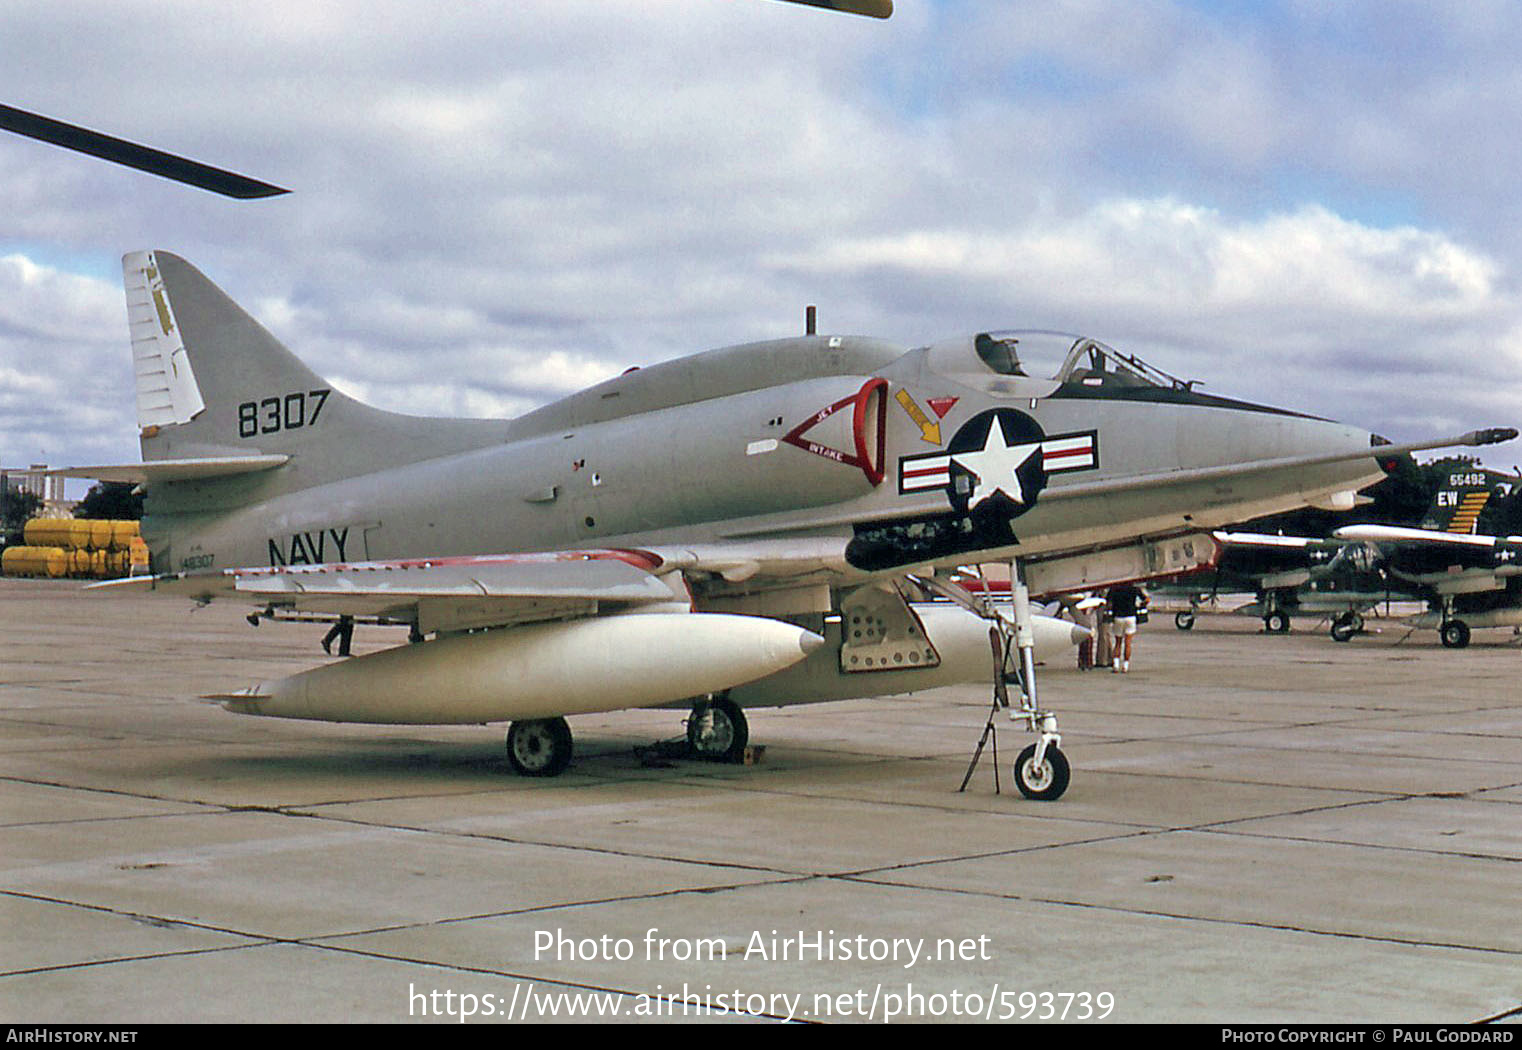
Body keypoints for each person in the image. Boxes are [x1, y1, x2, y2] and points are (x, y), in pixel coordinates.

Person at [1105, 583, 1145, 673]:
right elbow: (1147, 599)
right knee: (1128, 643)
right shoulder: (1134, 588)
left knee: (1118, 642)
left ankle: (1116, 665)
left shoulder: (1114, 588)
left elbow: (1108, 602)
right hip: (1130, 616)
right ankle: (1125, 666)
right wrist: (1140, 605)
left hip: (1118, 617)